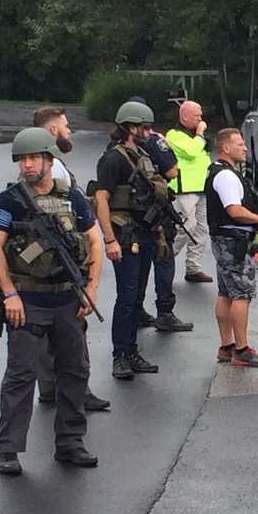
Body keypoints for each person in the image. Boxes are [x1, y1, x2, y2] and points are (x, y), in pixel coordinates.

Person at [0, 128, 102, 475]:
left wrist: (91, 289)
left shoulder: (73, 199)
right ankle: (8, 450)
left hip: (68, 299)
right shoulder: (7, 201)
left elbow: (94, 242)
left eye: (33, 157)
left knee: (75, 371)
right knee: (21, 377)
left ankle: (70, 442)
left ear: (50, 159)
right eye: (22, 159)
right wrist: (9, 294)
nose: (27, 164)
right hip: (27, 301)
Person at [32, 106, 111, 412]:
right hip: (62, 265)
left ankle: (50, 387)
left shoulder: (38, 165)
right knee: (73, 336)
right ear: (52, 131)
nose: (70, 132)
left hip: (44, 267)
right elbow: (74, 224)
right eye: (66, 126)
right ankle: (78, 391)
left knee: (43, 336)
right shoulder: (56, 171)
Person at [93, 100, 170, 380]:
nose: (149, 133)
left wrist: (159, 229)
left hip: (146, 233)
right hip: (125, 237)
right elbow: (101, 200)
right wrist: (110, 240)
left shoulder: (141, 155)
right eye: (145, 127)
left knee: (137, 296)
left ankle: (132, 351)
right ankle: (120, 356)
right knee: (126, 298)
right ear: (130, 127)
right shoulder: (113, 159)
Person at [206, 128, 258, 367]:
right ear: (226, 148)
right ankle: (242, 349)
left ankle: (226, 346)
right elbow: (233, 209)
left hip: (223, 241)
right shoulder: (226, 176)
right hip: (233, 243)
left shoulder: (217, 171)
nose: (245, 148)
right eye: (240, 144)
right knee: (241, 295)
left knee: (225, 293)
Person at [127, 97, 194, 333]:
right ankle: (165, 312)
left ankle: (136, 309)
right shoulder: (155, 141)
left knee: (139, 265)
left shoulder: (116, 147)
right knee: (164, 260)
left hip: (130, 216)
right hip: (157, 213)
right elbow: (172, 171)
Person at [165, 101, 214, 283]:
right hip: (184, 191)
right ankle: (166, 258)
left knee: (201, 229)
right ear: (184, 116)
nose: (200, 119)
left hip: (201, 189)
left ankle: (194, 268)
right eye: (196, 116)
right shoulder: (174, 135)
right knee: (187, 228)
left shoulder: (195, 137)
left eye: (201, 115)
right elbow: (191, 152)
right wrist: (200, 134)